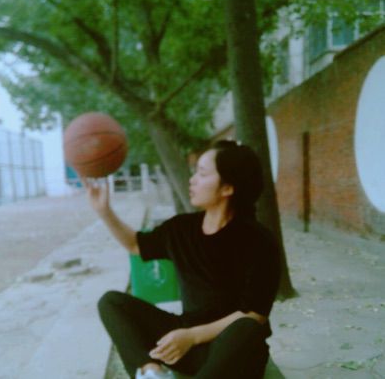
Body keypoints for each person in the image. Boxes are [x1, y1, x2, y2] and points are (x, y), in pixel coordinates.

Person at [85, 140, 281, 379]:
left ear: (227, 188)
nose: (192, 180)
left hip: (231, 352)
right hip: (185, 345)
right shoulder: (181, 229)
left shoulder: (259, 241)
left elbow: (255, 315)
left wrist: (192, 336)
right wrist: (104, 211)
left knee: (247, 328)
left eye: (202, 173)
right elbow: (135, 245)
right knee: (112, 302)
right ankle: (151, 374)